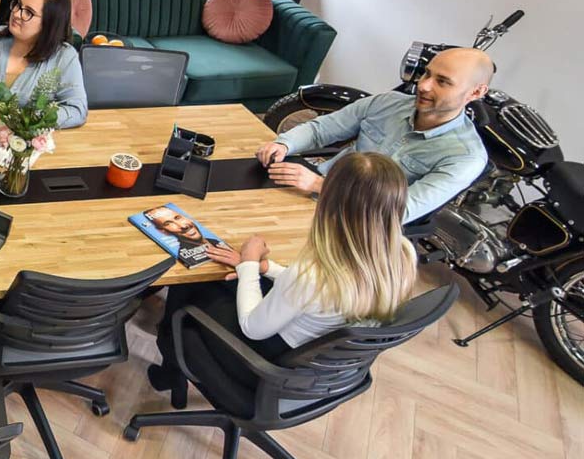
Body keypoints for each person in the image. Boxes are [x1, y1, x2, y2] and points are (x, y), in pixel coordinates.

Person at [146, 152, 419, 399]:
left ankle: (172, 367)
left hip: (264, 367)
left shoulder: (313, 274)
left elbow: (253, 327)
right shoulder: (402, 254)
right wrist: (263, 269)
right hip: (313, 368)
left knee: (193, 283)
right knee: (226, 277)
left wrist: (251, 261)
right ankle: (172, 371)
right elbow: (310, 294)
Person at [256, 47, 493, 222]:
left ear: (476, 92)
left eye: (442, 82)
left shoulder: (466, 157)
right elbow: (323, 128)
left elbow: (400, 211)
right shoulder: (389, 102)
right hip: (309, 193)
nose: (424, 86)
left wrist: (322, 185)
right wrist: (284, 144)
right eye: (426, 74)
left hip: (358, 224)